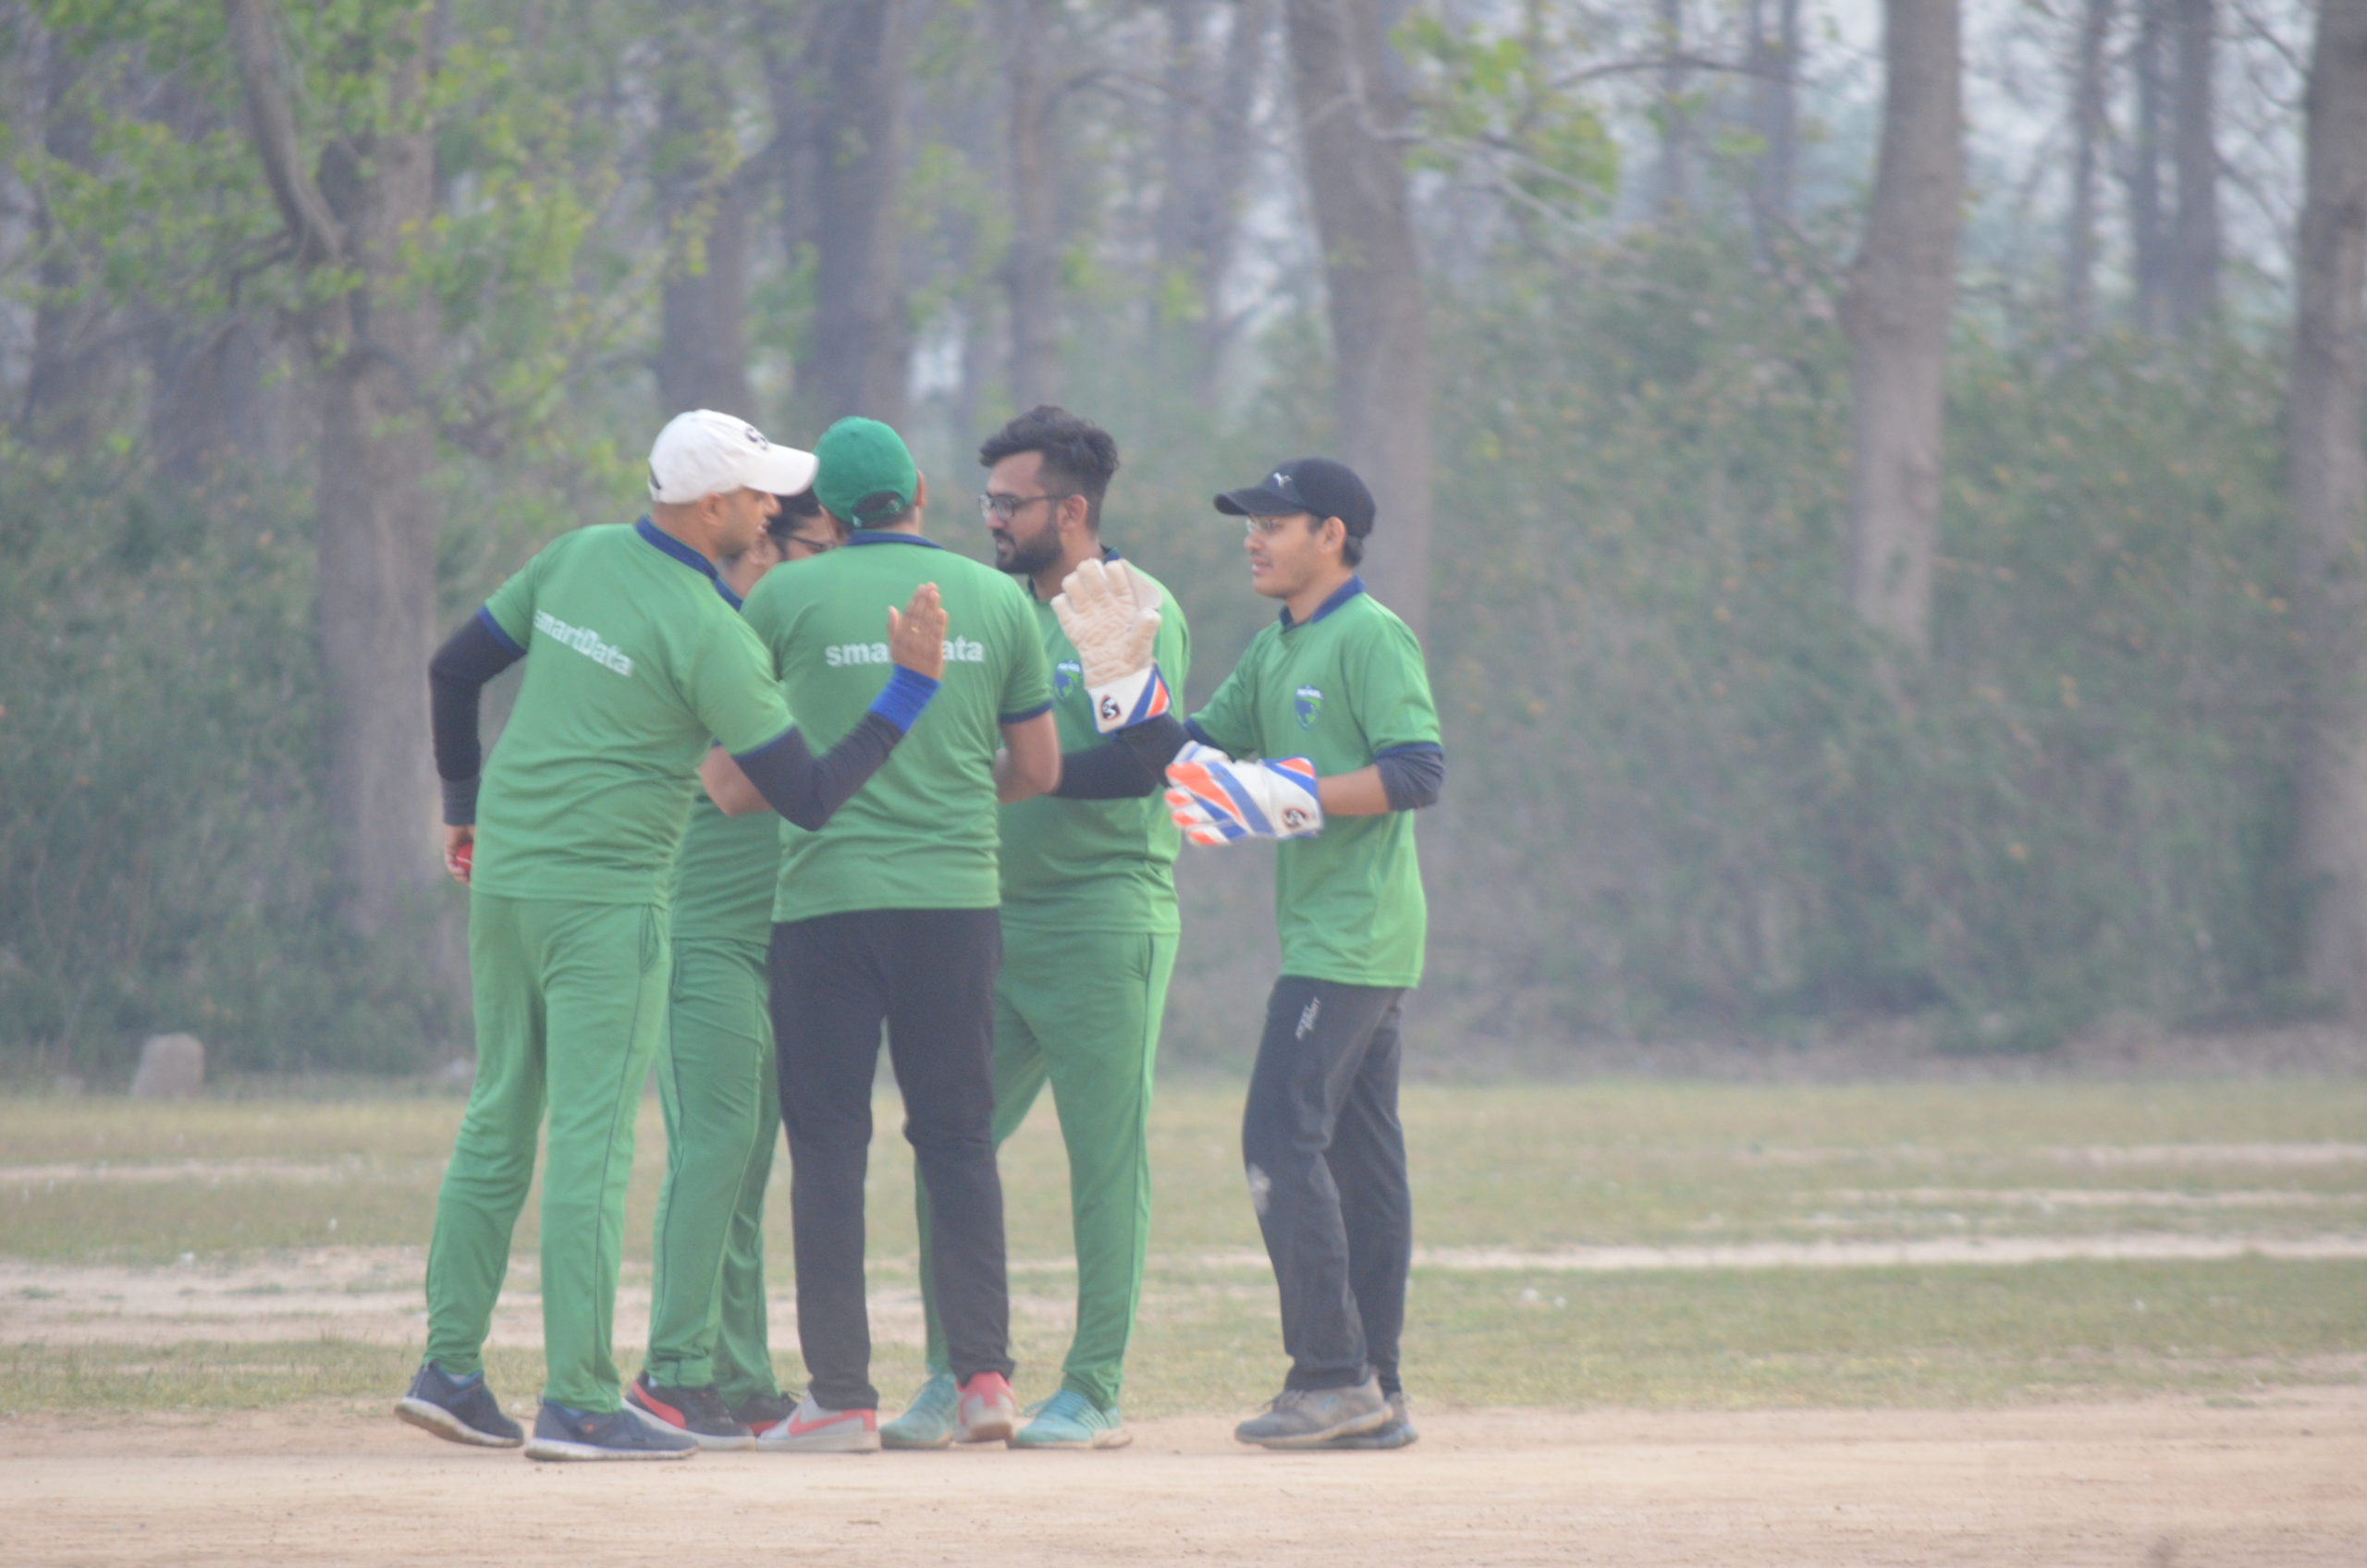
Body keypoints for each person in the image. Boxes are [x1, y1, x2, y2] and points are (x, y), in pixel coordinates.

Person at [398, 410, 946, 1463]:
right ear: (712, 506)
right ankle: (578, 1401)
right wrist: (907, 690)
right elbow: (808, 796)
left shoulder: (575, 555)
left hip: (508, 876)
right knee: (592, 1142)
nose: (771, 509)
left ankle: (450, 1370)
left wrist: (461, 803)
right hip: (608, 899)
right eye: (758, 494)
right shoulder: (709, 632)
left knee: (501, 1113)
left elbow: (454, 670)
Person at [1056, 457, 1443, 1450]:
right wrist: (1116, 696)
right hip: (1337, 938)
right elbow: (1180, 767)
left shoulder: (1370, 633)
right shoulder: (1277, 647)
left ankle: (1331, 1377)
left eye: (1274, 522)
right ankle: (1376, 1388)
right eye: (1250, 522)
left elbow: (1417, 771)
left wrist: (1290, 792)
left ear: (1331, 535)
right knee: (1361, 1159)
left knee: (1278, 1142)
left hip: (1354, 937)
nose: (1253, 538)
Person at [705, 417, 1060, 1452]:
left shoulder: (782, 598)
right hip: (957, 903)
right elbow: (1039, 770)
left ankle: (843, 1398)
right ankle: (984, 1380)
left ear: (824, 511)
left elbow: (731, 787)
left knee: (828, 1148)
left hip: (826, 907)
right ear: (919, 492)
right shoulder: (998, 599)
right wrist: (954, 799)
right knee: (958, 1139)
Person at [880, 407, 1189, 1452]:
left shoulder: (1136, 607)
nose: (993, 519)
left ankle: (1094, 1387)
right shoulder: (993, 610)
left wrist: (1018, 779)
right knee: (948, 1145)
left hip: (1105, 918)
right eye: (988, 501)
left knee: (1106, 1164)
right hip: (988, 921)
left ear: (1072, 509)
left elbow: (1148, 765)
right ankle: (961, 1374)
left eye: (1012, 503)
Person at [624, 490, 846, 1451]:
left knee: (748, 1164)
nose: (833, 572)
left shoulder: (795, 649)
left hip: (776, 939)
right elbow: (731, 786)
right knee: (714, 1148)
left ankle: (741, 1378)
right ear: (762, 547)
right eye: (818, 552)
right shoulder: (721, 639)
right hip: (704, 938)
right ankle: (670, 1376)